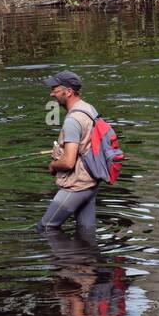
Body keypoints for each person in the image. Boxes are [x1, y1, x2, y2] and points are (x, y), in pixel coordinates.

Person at [38, 70, 102, 234]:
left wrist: (53, 164)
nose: (52, 94)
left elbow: (68, 162)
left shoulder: (72, 121)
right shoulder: (88, 109)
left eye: (55, 90)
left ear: (68, 92)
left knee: (46, 227)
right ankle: (86, 258)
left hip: (77, 186)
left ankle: (63, 260)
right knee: (86, 232)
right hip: (91, 182)